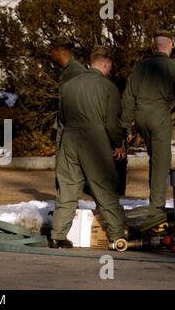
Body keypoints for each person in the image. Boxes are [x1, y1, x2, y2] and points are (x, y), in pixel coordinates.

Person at [50, 46, 126, 249]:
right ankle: (118, 236)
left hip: (69, 140)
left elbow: (63, 117)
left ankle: (57, 235)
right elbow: (112, 123)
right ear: (106, 64)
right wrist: (118, 143)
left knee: (67, 190)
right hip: (94, 141)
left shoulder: (69, 85)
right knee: (105, 188)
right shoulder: (108, 87)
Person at [121, 30, 175, 209]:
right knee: (161, 162)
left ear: (154, 47)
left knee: (154, 158)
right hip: (159, 115)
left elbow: (128, 97)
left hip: (141, 117)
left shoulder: (141, 67)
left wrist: (127, 127)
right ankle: (157, 208)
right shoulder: (171, 67)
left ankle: (155, 201)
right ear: (171, 45)